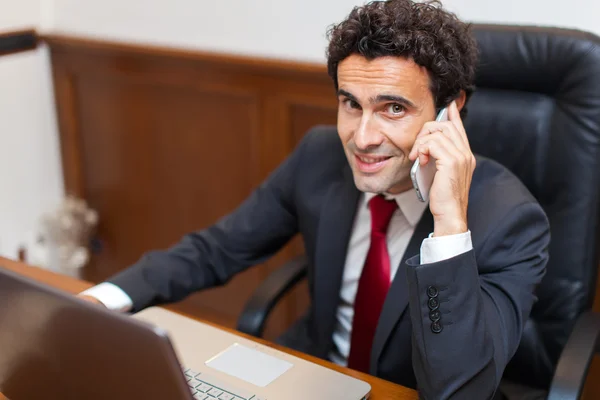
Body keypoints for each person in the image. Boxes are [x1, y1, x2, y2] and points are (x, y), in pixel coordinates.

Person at [81, 0, 550, 398]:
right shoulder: (318, 156)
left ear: (451, 110)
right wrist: (100, 303)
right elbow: (216, 248)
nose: (363, 138)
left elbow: (459, 390)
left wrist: (449, 224)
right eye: (351, 103)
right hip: (315, 379)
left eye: (393, 108)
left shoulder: (509, 218)